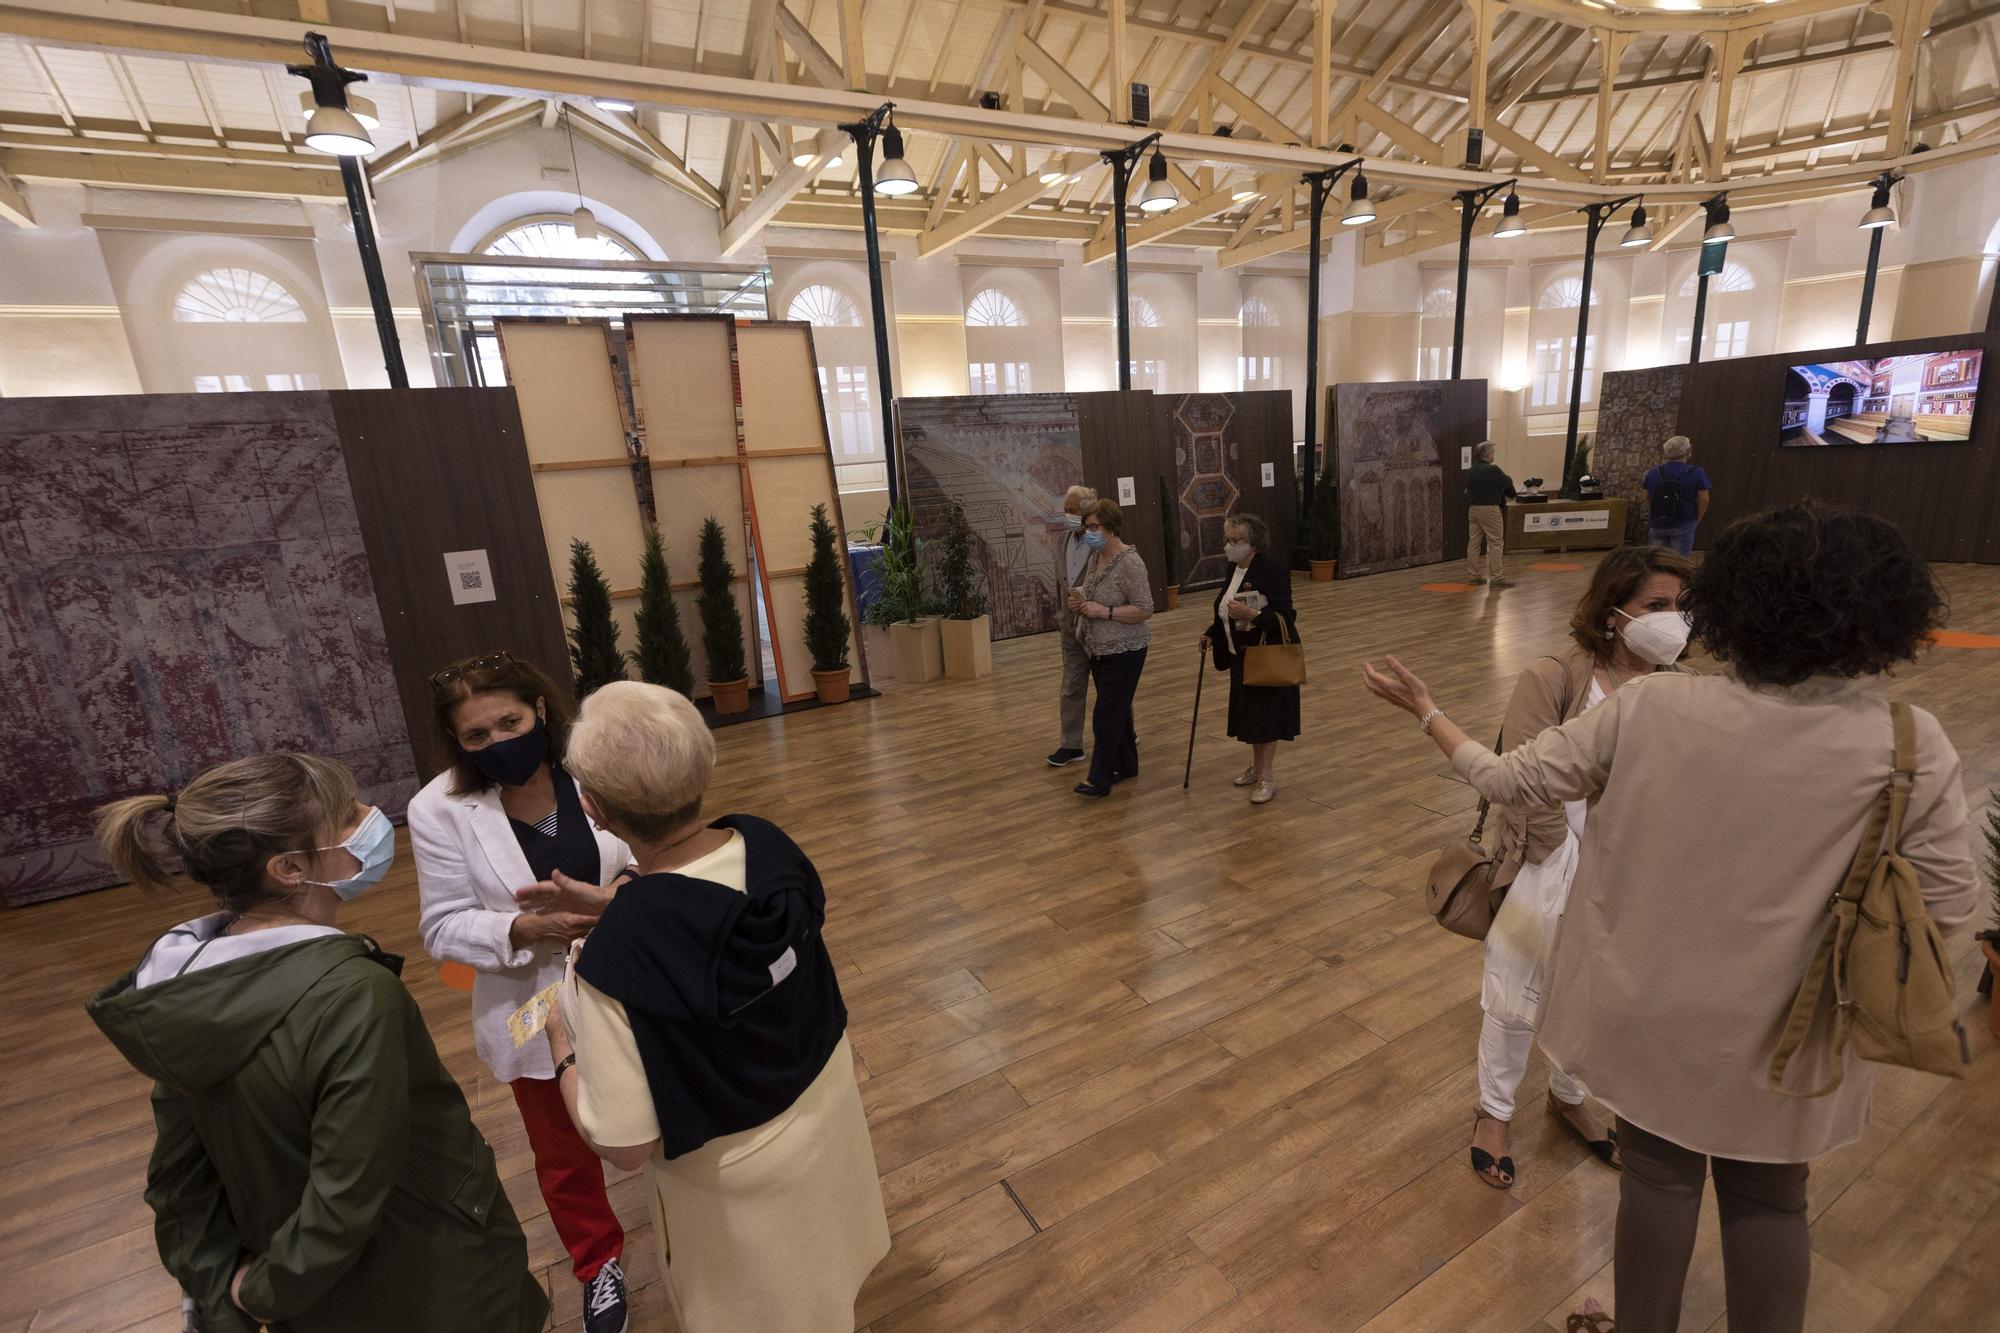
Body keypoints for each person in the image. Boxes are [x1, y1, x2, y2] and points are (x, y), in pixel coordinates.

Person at [1362, 502, 1976, 1333]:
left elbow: (1508, 780)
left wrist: (1429, 713)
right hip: (1798, 1028)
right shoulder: (1912, 744)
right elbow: (1945, 910)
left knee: (1659, 1182)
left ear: (1734, 605)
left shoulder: (1656, 709)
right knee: (1770, 1200)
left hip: (1654, 1011)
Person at [87, 754, 548, 1333]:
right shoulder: (354, 994)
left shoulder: (187, 988)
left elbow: (178, 1177)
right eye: (349, 817)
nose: (374, 820)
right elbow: (349, 1188)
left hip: (314, 1298)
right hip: (432, 1282)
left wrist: (220, 1289)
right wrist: (263, 1293)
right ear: (288, 868)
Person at [541, 682, 890, 1332]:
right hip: (825, 1112)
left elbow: (625, 1144)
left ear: (592, 807)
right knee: (824, 1284)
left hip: (734, 1183)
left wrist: (563, 1044)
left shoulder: (611, 962)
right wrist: (624, 903)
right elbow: (717, 918)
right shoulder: (769, 845)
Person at [407, 651, 632, 1333]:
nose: (498, 742)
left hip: (630, 974)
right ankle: (599, 1263)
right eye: (477, 736)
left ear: (541, 709)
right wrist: (527, 925)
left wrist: (623, 893)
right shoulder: (439, 807)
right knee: (562, 1149)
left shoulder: (597, 767)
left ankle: (693, 1221)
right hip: (530, 997)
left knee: (665, 1108)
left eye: (511, 721)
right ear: (457, 742)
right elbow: (441, 927)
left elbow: (652, 849)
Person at [1468, 545, 1696, 1192]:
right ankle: (1494, 1111)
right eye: (1657, 605)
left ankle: (1569, 1093)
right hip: (1547, 859)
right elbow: (1522, 773)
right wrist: (1555, 857)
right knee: (1514, 990)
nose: (1673, 619)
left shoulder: (1683, 689)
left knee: (1595, 994)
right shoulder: (1556, 675)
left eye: (1681, 606)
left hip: (1630, 872)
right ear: (1612, 611)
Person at [1203, 512, 1299, 805]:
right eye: (1228, 540)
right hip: (1238, 656)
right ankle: (1257, 767)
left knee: (1266, 716)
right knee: (1250, 716)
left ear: (1253, 542)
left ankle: (1267, 777)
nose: (1230, 545)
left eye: (1236, 540)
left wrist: (1252, 615)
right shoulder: (1233, 569)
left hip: (1264, 656)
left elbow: (1286, 616)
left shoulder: (1272, 571)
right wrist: (1210, 633)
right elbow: (1223, 609)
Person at [1067, 498, 1155, 797]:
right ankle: (1127, 764)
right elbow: (1095, 592)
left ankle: (1100, 777)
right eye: (1087, 527)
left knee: (1106, 712)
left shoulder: (1129, 562)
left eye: (1094, 527)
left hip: (1126, 649)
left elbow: (1145, 609)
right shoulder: (1096, 557)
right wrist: (1081, 600)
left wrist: (1103, 611)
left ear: (1111, 527)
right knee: (1117, 709)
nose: (1089, 533)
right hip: (1099, 649)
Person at [1048, 484, 1099, 767]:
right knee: (1071, 686)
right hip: (1070, 628)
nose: (1067, 515)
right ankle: (1071, 745)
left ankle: (1125, 733)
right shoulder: (1062, 541)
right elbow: (1061, 583)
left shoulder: (1100, 542)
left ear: (1088, 511)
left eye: (1072, 510)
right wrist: (1061, 615)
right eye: (1065, 509)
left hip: (1100, 627)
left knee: (1109, 685)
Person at [1641, 435, 1711, 555]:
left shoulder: (1652, 472)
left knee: (1656, 560)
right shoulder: (1697, 472)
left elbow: (1645, 497)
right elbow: (1704, 500)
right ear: (1688, 451)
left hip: (1657, 523)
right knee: (1679, 563)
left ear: (1666, 452)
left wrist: (1653, 514)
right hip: (1683, 522)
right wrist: (1696, 520)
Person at [1465, 441, 1518, 587]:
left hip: (1473, 509)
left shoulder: (1471, 471)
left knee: (1474, 543)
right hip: (1489, 510)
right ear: (1487, 454)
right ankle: (1496, 578)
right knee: (1496, 542)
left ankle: (1473, 576)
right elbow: (1507, 482)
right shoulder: (1493, 470)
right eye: (1493, 453)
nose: (1494, 455)